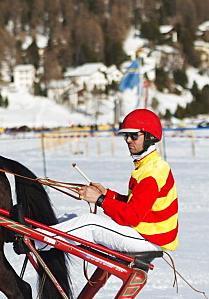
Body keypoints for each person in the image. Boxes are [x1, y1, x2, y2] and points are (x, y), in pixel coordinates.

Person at [42, 109, 179, 255]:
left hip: (151, 238)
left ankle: (35, 240)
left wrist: (100, 200)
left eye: (133, 136)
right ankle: (39, 230)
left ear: (150, 137)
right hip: (145, 232)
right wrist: (107, 194)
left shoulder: (152, 171)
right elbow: (138, 204)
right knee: (79, 214)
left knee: (90, 223)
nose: (128, 140)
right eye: (126, 136)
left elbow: (132, 216)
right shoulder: (147, 165)